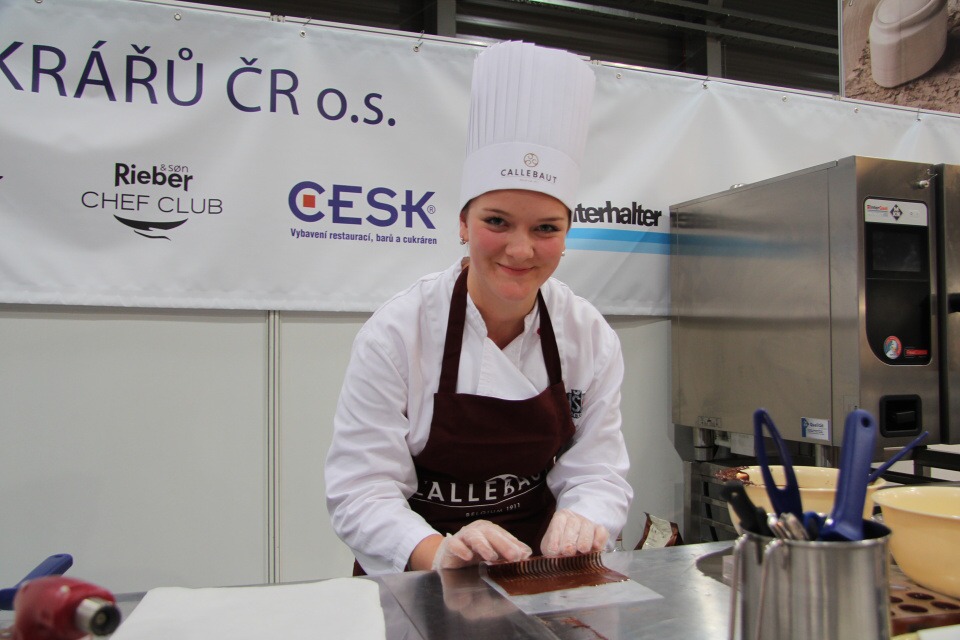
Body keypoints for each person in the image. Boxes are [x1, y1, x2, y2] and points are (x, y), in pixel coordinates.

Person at [325, 40, 633, 576]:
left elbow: (598, 471)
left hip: (540, 571)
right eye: (497, 222)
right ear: (463, 224)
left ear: (566, 236)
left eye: (546, 228)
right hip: (420, 575)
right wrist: (440, 553)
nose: (521, 250)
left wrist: (583, 518)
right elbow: (361, 490)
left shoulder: (588, 335)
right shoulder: (398, 333)